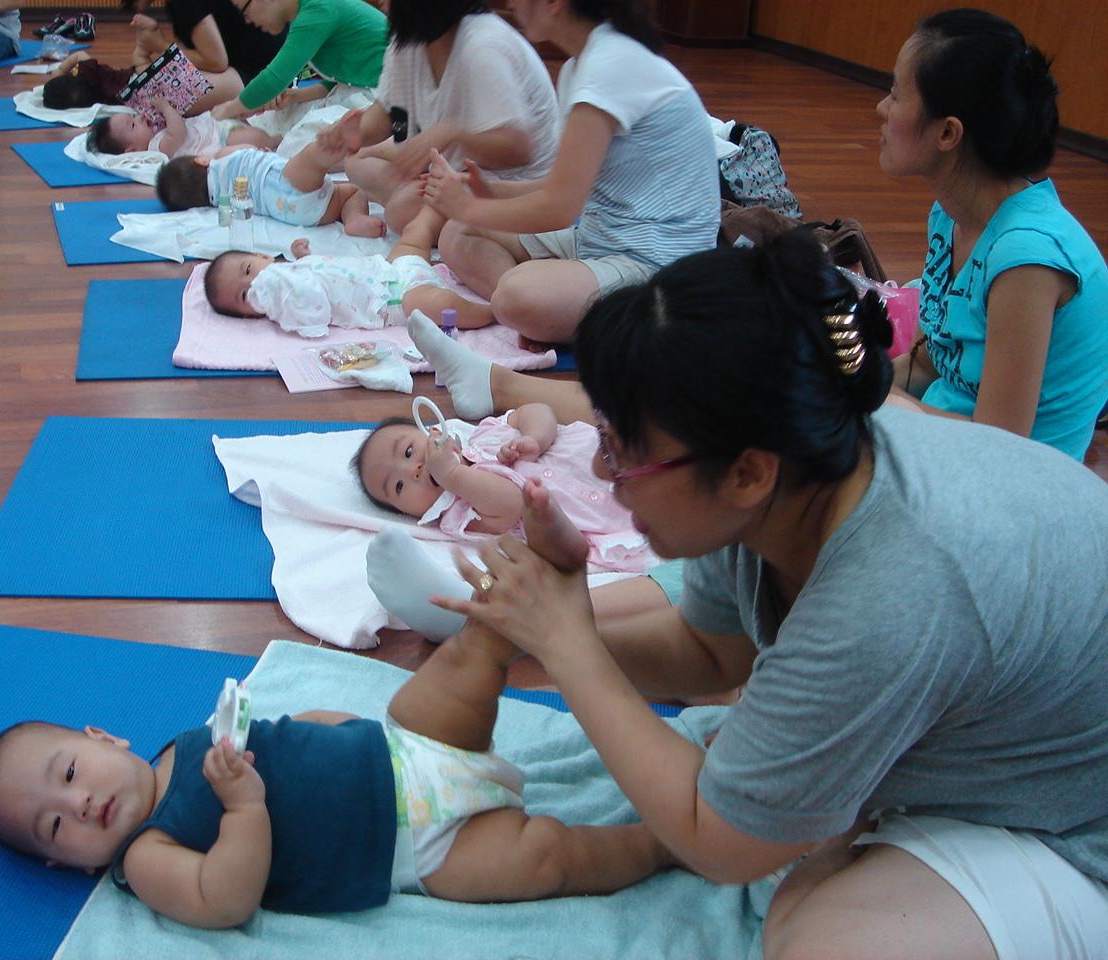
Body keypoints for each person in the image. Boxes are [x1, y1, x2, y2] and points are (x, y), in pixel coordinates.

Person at [421, 227, 1108, 959]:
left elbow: (721, 846)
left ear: (747, 474)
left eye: (626, 453)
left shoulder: (889, 588)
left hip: (1076, 824)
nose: (598, 471)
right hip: (998, 740)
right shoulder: (793, 461)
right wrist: (552, 623)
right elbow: (709, 654)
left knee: (815, 937)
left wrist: (566, 643)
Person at [0, 627, 675, 928]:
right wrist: (244, 811)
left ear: (103, 737)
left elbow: (276, 732)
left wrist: (321, 723)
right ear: (65, 864)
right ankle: (664, 843)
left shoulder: (185, 744)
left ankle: (499, 619)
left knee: (454, 673)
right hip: (417, 850)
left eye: (67, 772)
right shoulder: (148, 854)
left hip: (404, 754)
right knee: (548, 859)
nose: (79, 801)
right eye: (54, 823)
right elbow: (224, 900)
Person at [421, 0, 719, 346]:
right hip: (601, 239)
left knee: (518, 293)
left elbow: (560, 207)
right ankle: (546, 313)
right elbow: (567, 184)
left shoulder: (611, 63)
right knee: (458, 234)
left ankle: (542, 310)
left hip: (660, 267)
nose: (511, 3)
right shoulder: (581, 66)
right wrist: (488, 191)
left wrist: (467, 205)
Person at [879, 10, 1108, 460]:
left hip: (1014, 491)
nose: (881, 109)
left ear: (948, 132)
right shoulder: (948, 216)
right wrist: (846, 385)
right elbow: (928, 364)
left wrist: (875, 408)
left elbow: (1001, 446)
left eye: (895, 93)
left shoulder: (1027, 258)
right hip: (948, 445)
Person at [327, 0, 558, 247]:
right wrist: (349, 134)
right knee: (355, 162)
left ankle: (422, 206)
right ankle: (415, 197)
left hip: (512, 183)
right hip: (450, 166)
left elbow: (518, 149)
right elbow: (389, 113)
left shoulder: (483, 46)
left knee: (399, 213)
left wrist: (454, 133)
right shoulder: (410, 40)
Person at [355, 400, 648, 568]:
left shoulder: (485, 433)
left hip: (605, 453)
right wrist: (452, 477)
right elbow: (512, 503)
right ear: (407, 514)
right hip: (608, 512)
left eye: (408, 452)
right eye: (398, 487)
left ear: (431, 431)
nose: (414, 470)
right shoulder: (459, 516)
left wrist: (535, 437)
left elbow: (536, 409)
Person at [156, 110, 384, 236]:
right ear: (202, 160)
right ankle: (330, 145)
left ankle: (353, 219)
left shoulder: (222, 202)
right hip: (282, 181)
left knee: (351, 192)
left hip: (294, 214)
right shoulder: (221, 158)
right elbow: (248, 151)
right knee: (309, 159)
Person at [204, 240, 493, 332]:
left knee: (411, 241)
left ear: (263, 257)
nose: (255, 284)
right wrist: (282, 289)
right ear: (249, 315)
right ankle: (491, 313)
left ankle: (434, 210)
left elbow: (323, 270)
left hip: (389, 268)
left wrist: (305, 257)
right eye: (246, 295)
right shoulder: (286, 308)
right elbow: (316, 309)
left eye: (249, 270)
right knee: (436, 307)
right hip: (395, 301)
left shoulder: (290, 268)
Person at [208, 0, 387, 122]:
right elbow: (345, 76)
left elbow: (275, 78)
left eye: (244, 10)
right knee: (279, 117)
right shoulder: (308, 12)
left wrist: (228, 109)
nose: (247, 20)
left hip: (383, 94)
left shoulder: (318, 10)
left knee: (308, 135)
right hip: (368, 86)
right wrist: (297, 95)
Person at [121, 0, 286, 107]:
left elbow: (216, 62)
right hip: (263, 57)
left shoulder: (182, 4)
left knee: (149, 101)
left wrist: (158, 44)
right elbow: (197, 54)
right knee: (160, 86)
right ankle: (142, 63)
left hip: (264, 69)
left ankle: (141, 62)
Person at [41, 50, 238, 117]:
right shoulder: (86, 74)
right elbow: (80, 55)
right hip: (137, 83)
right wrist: (59, 70)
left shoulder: (90, 86)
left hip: (138, 87)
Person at [87, 100, 280, 158]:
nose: (140, 118)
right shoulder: (156, 149)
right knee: (249, 138)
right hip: (217, 140)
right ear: (131, 149)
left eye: (134, 117)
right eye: (133, 124)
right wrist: (166, 108)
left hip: (212, 125)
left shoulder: (154, 132)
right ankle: (275, 142)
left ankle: (269, 127)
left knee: (237, 107)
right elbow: (179, 134)